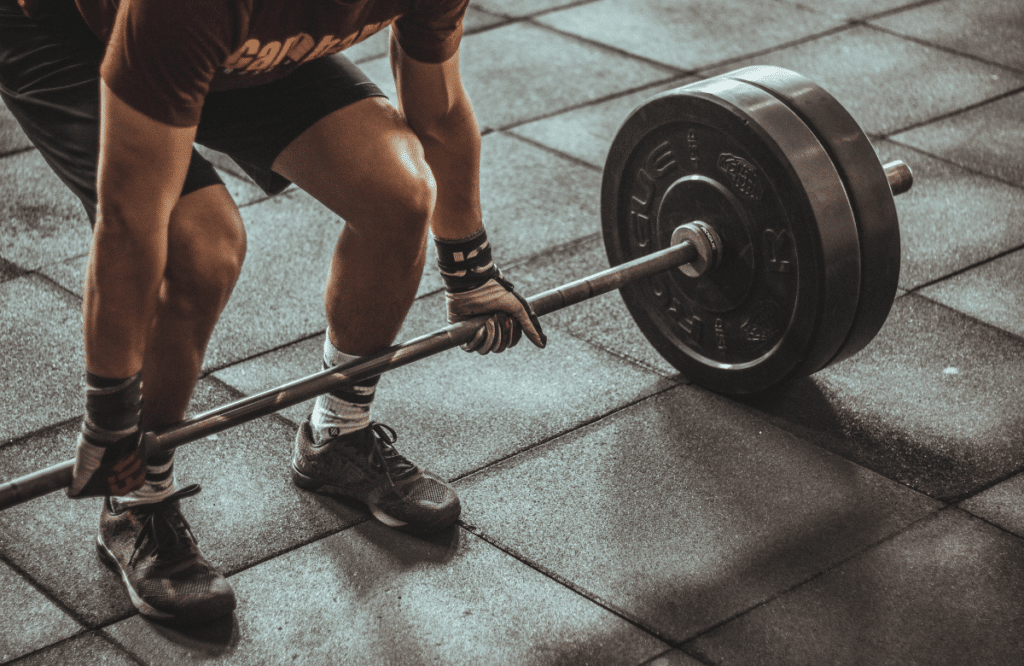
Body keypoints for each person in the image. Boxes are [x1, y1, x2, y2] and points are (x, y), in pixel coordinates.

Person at [0, 0, 545, 623]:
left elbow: (439, 111)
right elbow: (130, 221)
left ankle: (336, 436)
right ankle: (135, 499)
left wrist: (471, 273)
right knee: (200, 248)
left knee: (400, 192)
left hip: (227, 44)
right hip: (65, 30)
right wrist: (110, 412)